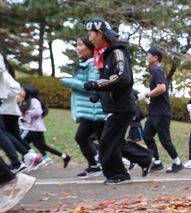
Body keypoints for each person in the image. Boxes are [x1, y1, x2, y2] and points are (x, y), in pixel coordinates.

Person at [84, 17, 153, 184]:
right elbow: (108, 81)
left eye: (90, 34)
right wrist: (97, 93)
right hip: (115, 106)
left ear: (100, 34)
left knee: (107, 142)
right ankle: (144, 158)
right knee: (114, 141)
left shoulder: (117, 51)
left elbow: (123, 78)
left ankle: (119, 175)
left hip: (122, 106)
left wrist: (96, 85)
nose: (89, 38)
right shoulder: (106, 55)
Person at [61, 35, 105, 178]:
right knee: (86, 138)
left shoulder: (93, 64)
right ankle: (95, 165)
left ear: (90, 47)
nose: (77, 48)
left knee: (87, 137)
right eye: (76, 45)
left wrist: (69, 82)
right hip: (89, 110)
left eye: (80, 45)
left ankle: (142, 158)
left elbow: (93, 86)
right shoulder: (86, 63)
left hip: (94, 110)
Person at [137, 47, 183, 173]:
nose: (147, 57)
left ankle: (177, 163)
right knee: (147, 135)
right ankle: (157, 162)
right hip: (154, 112)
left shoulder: (157, 70)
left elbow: (162, 88)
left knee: (165, 140)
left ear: (155, 57)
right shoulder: (155, 71)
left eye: (148, 55)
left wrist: (147, 94)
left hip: (162, 112)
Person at [18, 85, 71, 167]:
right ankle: (64, 156)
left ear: (28, 91)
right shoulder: (27, 101)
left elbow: (38, 111)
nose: (20, 91)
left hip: (33, 128)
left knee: (22, 143)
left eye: (22, 90)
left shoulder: (34, 100)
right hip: (37, 128)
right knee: (43, 146)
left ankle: (28, 162)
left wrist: (28, 113)